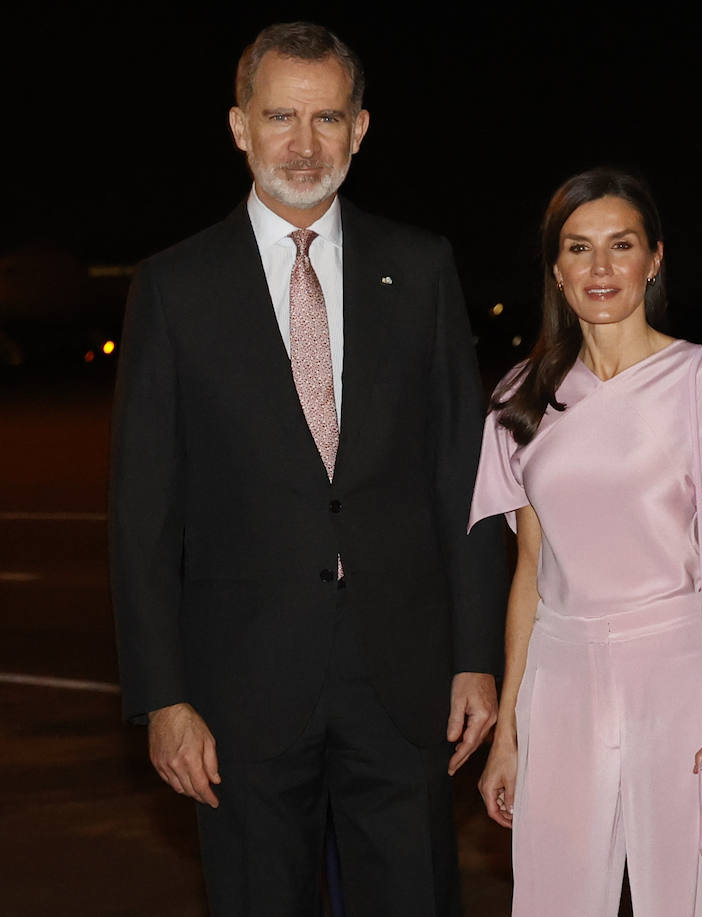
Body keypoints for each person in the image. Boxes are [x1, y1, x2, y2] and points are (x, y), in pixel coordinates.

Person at [108, 22, 506, 915]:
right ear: (239, 126)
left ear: (360, 128)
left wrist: (478, 657)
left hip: (404, 683)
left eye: (327, 118)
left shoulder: (421, 266)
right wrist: (163, 695)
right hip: (239, 689)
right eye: (279, 116)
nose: (303, 143)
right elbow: (144, 511)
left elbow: (465, 477)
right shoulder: (174, 287)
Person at [469, 168, 702, 916]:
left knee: (681, 901)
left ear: (654, 260)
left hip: (675, 675)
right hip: (560, 678)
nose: (601, 268)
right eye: (579, 248)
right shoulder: (521, 398)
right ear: (556, 267)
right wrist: (507, 731)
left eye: (621, 245)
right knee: (552, 900)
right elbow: (529, 576)